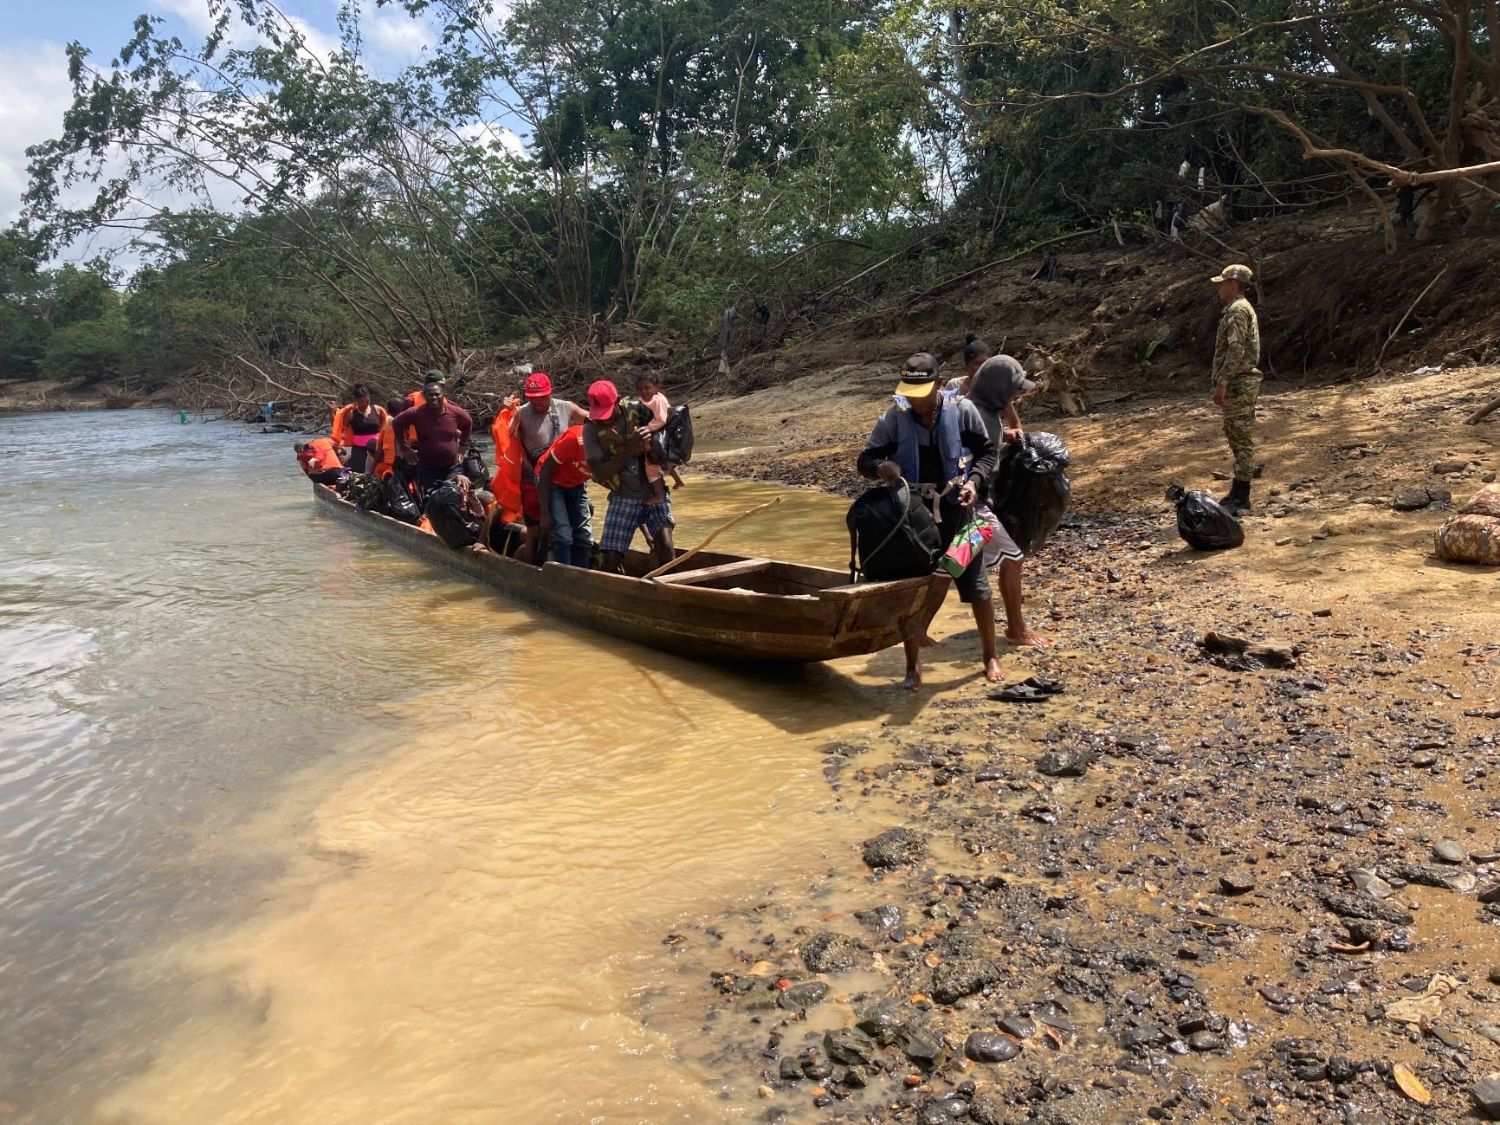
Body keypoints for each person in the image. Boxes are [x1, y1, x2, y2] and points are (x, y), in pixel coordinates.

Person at [857, 352, 1000, 689]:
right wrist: (880, 468)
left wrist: (974, 482)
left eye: (922, 394)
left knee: (976, 585)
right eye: (909, 393)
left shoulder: (962, 411)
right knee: (915, 590)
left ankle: (990, 655)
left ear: (938, 384)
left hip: (958, 509)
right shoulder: (894, 418)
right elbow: (865, 459)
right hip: (913, 517)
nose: (915, 401)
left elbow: (987, 453)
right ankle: (912, 668)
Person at [965, 353, 1046, 647]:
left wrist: (1007, 430)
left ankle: (918, 629)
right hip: (974, 507)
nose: (1015, 395)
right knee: (1013, 558)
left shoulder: (980, 410)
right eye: (1012, 390)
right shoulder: (981, 418)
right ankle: (1016, 630)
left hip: (963, 506)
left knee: (949, 567)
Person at [584, 379, 675, 574]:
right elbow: (599, 472)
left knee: (666, 546)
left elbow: (669, 437)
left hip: (654, 491)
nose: (605, 419)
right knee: (611, 559)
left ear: (617, 401)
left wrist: (654, 444)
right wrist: (628, 451)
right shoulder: (591, 429)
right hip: (623, 495)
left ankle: (667, 589)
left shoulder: (640, 411)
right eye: (600, 415)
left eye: (608, 413)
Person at [507, 372, 588, 546]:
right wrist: (506, 411)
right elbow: (505, 436)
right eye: (532, 398)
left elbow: (594, 423)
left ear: (550, 393)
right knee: (543, 530)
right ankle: (541, 556)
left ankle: (577, 558)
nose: (537, 401)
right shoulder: (520, 413)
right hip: (538, 477)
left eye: (541, 397)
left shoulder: (566, 407)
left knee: (578, 526)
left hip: (569, 477)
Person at [1208, 263, 1261, 514]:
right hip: (1239, 381)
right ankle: (1238, 491)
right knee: (1235, 436)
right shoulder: (1236, 309)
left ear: (1232, 284)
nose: (1219, 288)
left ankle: (1242, 495)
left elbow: (1236, 349)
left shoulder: (1237, 311)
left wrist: (1223, 382)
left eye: (1222, 283)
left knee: (1241, 439)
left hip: (1239, 382)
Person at [391, 375, 474, 497]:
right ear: (425, 397)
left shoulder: (454, 412)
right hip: (428, 468)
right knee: (431, 500)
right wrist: (405, 448)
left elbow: (468, 423)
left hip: (452, 467)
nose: (434, 397)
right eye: (430, 395)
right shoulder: (416, 412)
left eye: (437, 394)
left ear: (443, 395)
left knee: (454, 498)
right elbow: (396, 423)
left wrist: (463, 444)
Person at [536, 423, 594, 568]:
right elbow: (545, 470)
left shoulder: (615, 449)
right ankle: (564, 577)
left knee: (585, 535)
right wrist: (545, 512)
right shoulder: (575, 440)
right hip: (552, 481)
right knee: (563, 533)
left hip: (576, 483)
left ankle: (582, 575)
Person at [631, 372, 677, 504]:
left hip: (657, 436)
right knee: (663, 462)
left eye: (647, 388)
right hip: (662, 435)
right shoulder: (657, 397)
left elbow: (661, 419)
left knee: (651, 467)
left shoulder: (656, 400)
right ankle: (678, 480)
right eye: (640, 389)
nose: (644, 391)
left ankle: (658, 495)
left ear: (657, 386)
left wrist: (647, 428)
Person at [330, 383, 392, 475]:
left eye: (367, 401)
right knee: (359, 473)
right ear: (356, 401)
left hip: (376, 448)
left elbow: (387, 423)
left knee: (377, 472)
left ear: (369, 398)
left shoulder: (378, 410)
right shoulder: (351, 413)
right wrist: (332, 414)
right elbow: (339, 427)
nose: (364, 404)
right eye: (361, 402)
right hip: (359, 449)